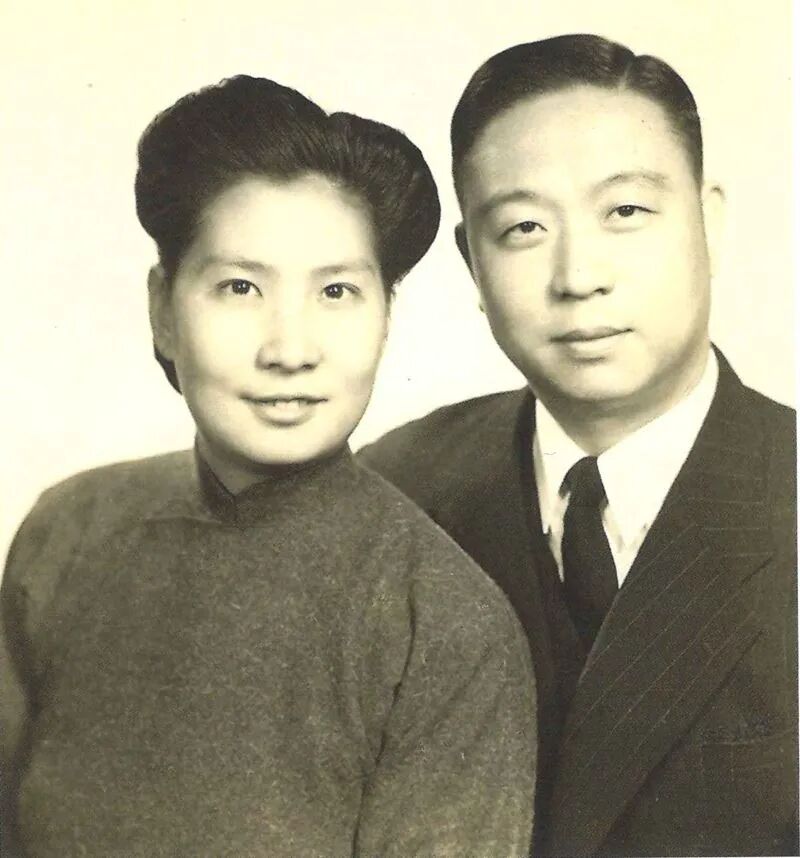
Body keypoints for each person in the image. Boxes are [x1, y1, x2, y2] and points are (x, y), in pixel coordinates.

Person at [0, 75, 537, 857]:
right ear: (163, 310)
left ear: (387, 317)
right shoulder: (69, 533)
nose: (290, 349)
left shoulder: (443, 625)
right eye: (240, 287)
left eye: (337, 291)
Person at [360, 34, 797, 857]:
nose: (578, 276)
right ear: (472, 263)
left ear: (708, 221)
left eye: (625, 212)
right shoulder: (396, 491)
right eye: (523, 227)